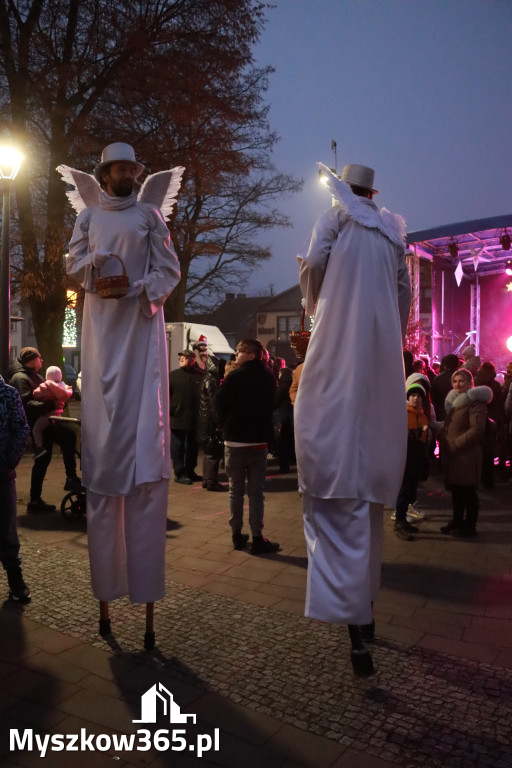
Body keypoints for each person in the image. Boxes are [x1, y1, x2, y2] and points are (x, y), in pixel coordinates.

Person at [294, 162, 411, 675]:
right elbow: (404, 298)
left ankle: (353, 628)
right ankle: (364, 616)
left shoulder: (335, 219)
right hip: (381, 367)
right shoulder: (391, 233)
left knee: (334, 497)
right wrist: (386, 329)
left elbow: (314, 267)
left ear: (347, 190)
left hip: (338, 358)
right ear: (374, 193)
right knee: (367, 513)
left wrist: (320, 308)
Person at [65, 142, 181, 606]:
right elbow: (73, 264)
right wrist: (90, 269)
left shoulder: (151, 216)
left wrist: (139, 290)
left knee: (141, 425)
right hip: (100, 331)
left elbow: (168, 270)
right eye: (118, 168)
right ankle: (107, 590)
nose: (127, 174)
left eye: (132, 168)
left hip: (138, 330)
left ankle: (144, 585)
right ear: (105, 172)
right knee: (104, 429)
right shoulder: (89, 218)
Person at [215, 338, 280, 554]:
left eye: (240, 351)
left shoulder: (235, 376)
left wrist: (225, 424)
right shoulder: (268, 377)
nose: (236, 354)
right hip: (258, 441)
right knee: (256, 492)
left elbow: (219, 403)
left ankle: (236, 534)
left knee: (235, 490)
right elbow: (272, 405)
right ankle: (257, 537)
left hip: (234, 440)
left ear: (251, 355)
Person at [8, 347, 82, 512]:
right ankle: (70, 478)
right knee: (67, 437)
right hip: (38, 424)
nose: (42, 360)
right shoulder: (21, 379)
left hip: (47, 421)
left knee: (43, 460)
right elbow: (25, 404)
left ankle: (36, 500)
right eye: (39, 357)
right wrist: (52, 405)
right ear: (31, 360)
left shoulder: (35, 376)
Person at [439, 368, 492, 538]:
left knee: (468, 491)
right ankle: (456, 521)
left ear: (470, 383)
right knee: (457, 491)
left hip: (467, 455)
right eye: (455, 381)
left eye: (461, 381)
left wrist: (456, 443)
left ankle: (470, 526)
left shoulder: (476, 402)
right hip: (454, 455)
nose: (457, 384)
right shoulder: (452, 400)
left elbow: (477, 430)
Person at [0, 375, 31, 601]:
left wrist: (8, 461)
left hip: (1, 474)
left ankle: (15, 579)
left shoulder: (8, 394)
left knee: (6, 527)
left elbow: (21, 429)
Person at [394, 383, 430, 541]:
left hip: (417, 458)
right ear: (408, 398)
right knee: (403, 492)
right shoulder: (402, 414)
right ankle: (399, 522)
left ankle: (404, 520)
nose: (416, 398)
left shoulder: (422, 416)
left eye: (419, 396)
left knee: (410, 492)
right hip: (405, 458)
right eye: (413, 395)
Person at [169, 349, 204, 485]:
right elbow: (165, 395)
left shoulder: (200, 375)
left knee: (192, 447)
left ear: (192, 360)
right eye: (181, 357)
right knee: (178, 446)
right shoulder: (173, 376)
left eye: (185, 357)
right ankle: (179, 473)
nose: (182, 359)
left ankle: (190, 471)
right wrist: (171, 409)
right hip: (178, 418)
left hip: (195, 419)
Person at [197, 354, 228, 491]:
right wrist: (219, 422)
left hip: (205, 421)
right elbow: (214, 404)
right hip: (210, 422)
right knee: (213, 452)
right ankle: (211, 481)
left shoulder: (207, 379)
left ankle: (207, 480)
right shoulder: (212, 381)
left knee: (209, 452)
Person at [31, 366, 73, 459]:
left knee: (36, 430)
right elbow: (67, 394)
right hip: (58, 413)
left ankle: (39, 448)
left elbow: (36, 394)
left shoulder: (45, 386)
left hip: (47, 415)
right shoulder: (63, 386)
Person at [274, 367, 295, 473]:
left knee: (282, 441)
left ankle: (283, 465)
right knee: (289, 440)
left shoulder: (282, 387)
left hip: (282, 417)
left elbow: (275, 401)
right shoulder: (293, 386)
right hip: (290, 416)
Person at [430, 353, 460, 420]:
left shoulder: (437, 379)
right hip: (460, 415)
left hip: (442, 414)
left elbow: (434, 400)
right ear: (458, 364)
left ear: (445, 366)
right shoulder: (463, 378)